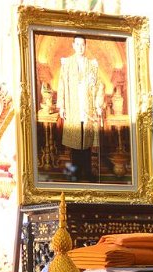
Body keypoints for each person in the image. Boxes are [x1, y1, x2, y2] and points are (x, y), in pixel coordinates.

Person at [57, 35, 105, 182]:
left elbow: (99, 85)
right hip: (73, 106)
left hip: (87, 108)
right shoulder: (67, 64)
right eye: (77, 44)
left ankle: (87, 172)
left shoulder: (92, 65)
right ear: (73, 45)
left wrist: (98, 105)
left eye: (82, 45)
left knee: (87, 141)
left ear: (86, 46)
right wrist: (61, 106)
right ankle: (76, 173)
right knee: (75, 141)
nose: (80, 47)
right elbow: (61, 85)